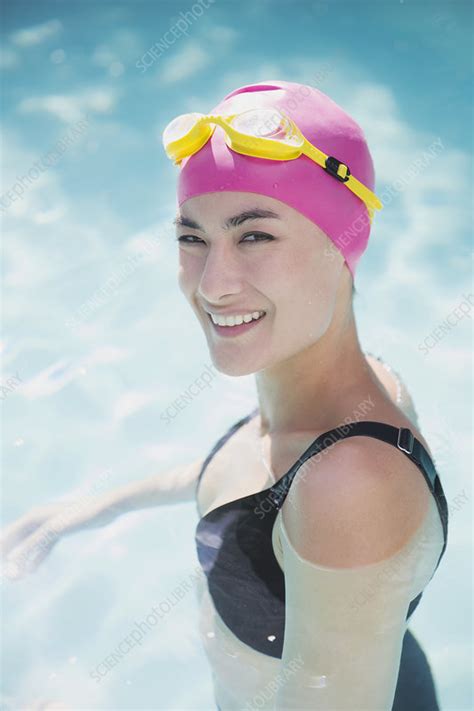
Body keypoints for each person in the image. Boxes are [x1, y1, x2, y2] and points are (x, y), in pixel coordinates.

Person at [1, 80, 448, 711]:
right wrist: (106, 504)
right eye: (192, 238)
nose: (213, 285)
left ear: (343, 240)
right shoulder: (338, 389)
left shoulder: (349, 484)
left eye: (255, 236)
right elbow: (253, 468)